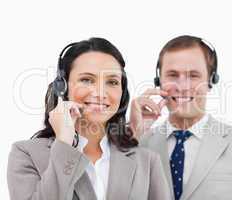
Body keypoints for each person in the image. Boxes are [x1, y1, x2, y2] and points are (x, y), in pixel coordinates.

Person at [7, 37, 171, 200]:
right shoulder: (27, 154)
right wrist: (64, 143)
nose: (100, 92)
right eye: (86, 80)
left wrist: (133, 134)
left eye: (112, 82)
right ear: (62, 87)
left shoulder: (148, 161)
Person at [130, 35, 232, 200]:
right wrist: (134, 134)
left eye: (194, 75)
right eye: (173, 75)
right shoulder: (138, 144)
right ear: (159, 81)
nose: (182, 86)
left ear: (211, 80)